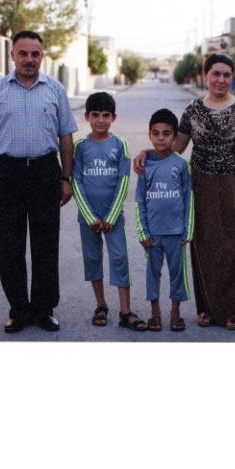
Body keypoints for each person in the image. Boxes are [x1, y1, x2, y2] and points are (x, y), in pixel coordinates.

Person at [133, 53, 235, 330]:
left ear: (232, 78)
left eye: (226, 75)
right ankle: (206, 309)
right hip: (201, 186)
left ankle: (232, 310)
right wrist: (147, 151)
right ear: (206, 76)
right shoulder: (193, 110)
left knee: (234, 247)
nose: (221, 79)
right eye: (216, 74)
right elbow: (176, 148)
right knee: (204, 246)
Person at [0, 30, 77, 333]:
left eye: (35, 54)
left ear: (42, 56)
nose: (29, 59)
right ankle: (18, 310)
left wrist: (66, 178)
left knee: (46, 245)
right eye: (23, 53)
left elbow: (66, 136)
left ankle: (44, 309)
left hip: (46, 171)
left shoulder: (55, 89)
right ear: (12, 56)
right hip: (9, 173)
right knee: (10, 246)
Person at [72, 92, 147, 332]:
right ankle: (101, 305)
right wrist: (89, 216)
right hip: (88, 218)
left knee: (119, 258)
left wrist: (112, 216)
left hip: (113, 218)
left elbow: (123, 181)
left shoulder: (120, 145)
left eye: (106, 115)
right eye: (95, 115)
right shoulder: (80, 147)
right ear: (87, 117)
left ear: (113, 118)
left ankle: (125, 310)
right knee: (93, 259)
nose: (100, 120)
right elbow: (76, 182)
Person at [134, 108, 194, 333]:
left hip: (176, 233)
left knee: (178, 273)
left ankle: (175, 313)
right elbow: (139, 200)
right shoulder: (145, 165)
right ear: (150, 135)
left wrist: (187, 231)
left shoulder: (181, 165)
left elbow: (189, 198)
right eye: (156, 133)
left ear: (175, 137)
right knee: (153, 274)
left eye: (166, 134)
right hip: (153, 234)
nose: (161, 138)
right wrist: (143, 232)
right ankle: (155, 313)